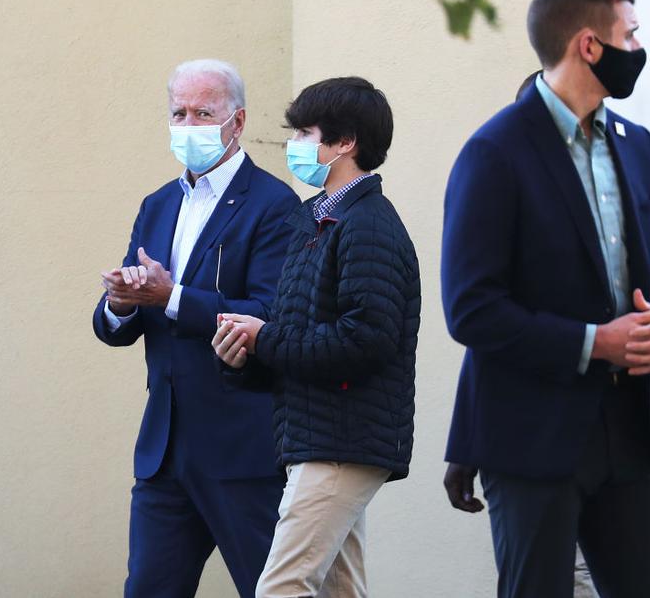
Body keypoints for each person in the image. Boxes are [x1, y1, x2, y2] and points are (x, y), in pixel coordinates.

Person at [440, 0, 650, 597]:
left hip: (633, 430)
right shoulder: (494, 151)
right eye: (629, 34)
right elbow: (471, 309)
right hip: (532, 437)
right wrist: (595, 342)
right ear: (588, 45)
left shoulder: (639, 148)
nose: (638, 47)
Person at [93, 59, 299, 598]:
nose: (188, 126)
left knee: (271, 590)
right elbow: (116, 325)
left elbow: (268, 311)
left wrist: (171, 297)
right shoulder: (157, 204)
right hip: (164, 450)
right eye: (178, 113)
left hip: (240, 447)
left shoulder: (274, 206)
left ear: (237, 121)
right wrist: (120, 302)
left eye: (203, 113)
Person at [212, 76, 420, 598]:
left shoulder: (368, 224)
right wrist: (244, 354)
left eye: (305, 132)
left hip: (341, 441)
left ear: (345, 142)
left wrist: (265, 341)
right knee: (337, 590)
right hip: (318, 435)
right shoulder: (316, 219)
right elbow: (298, 333)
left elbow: (364, 340)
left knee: (282, 587)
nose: (295, 145)